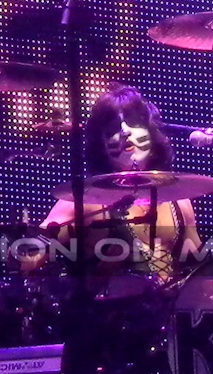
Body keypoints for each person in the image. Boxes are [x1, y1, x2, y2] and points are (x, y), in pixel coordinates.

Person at [21, 84, 201, 285]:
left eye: (134, 123)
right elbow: (29, 258)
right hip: (104, 304)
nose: (124, 132)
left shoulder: (178, 201)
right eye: (113, 128)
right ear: (101, 144)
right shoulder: (86, 201)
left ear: (151, 131)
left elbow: (197, 267)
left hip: (169, 304)